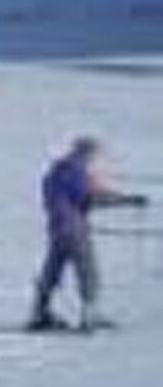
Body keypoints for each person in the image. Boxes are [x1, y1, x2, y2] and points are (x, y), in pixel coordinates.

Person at [28, 137, 148, 332]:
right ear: (87, 152)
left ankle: (39, 311)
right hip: (74, 227)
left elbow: (79, 193)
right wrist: (126, 200)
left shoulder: (56, 171)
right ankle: (89, 315)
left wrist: (119, 197)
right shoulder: (76, 170)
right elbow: (90, 196)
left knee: (52, 269)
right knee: (87, 270)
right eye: (94, 155)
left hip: (56, 227)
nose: (95, 160)